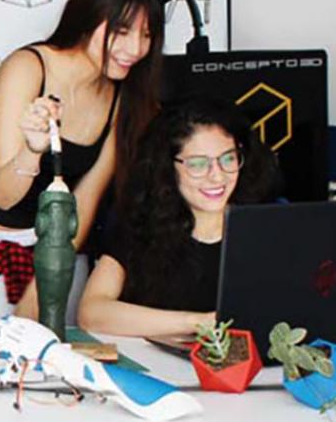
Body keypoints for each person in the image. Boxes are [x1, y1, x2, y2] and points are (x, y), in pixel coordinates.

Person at [0, 0, 165, 326]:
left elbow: (85, 200)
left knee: (69, 354)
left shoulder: (122, 96)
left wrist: (45, 284)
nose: (135, 48)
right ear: (87, 17)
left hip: (62, 255)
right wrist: (32, 150)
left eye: (146, 35)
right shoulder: (28, 67)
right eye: (121, 31)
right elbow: (3, 195)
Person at [69, 99, 279, 336]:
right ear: (168, 167)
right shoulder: (139, 228)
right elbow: (91, 313)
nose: (217, 176)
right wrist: (197, 322)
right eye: (198, 164)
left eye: (228, 159)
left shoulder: (263, 229)